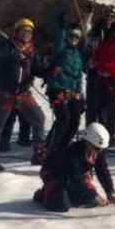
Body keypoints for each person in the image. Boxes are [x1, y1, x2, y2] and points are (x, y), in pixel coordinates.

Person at [0, 18, 48, 172]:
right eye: (24, 31)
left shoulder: (31, 50)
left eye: (30, 32)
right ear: (17, 32)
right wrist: (13, 55)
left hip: (23, 94)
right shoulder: (6, 46)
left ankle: (38, 152)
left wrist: (50, 70)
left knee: (38, 119)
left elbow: (38, 69)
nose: (27, 34)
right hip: (5, 93)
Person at [33, 122, 115, 212]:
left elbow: (103, 171)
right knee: (61, 205)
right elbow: (75, 176)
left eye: (102, 149)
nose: (99, 152)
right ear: (88, 142)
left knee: (89, 201)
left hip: (72, 180)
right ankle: (43, 194)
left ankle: (68, 194)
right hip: (55, 176)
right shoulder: (74, 153)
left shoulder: (97, 152)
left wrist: (110, 193)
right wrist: (93, 195)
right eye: (97, 148)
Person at [44, 14, 89, 155]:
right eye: (71, 36)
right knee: (64, 119)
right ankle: (51, 148)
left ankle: (62, 147)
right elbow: (58, 42)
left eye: (77, 37)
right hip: (58, 89)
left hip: (73, 92)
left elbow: (79, 77)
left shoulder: (78, 54)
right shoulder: (61, 49)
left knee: (74, 122)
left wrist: (80, 95)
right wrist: (62, 28)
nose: (74, 39)